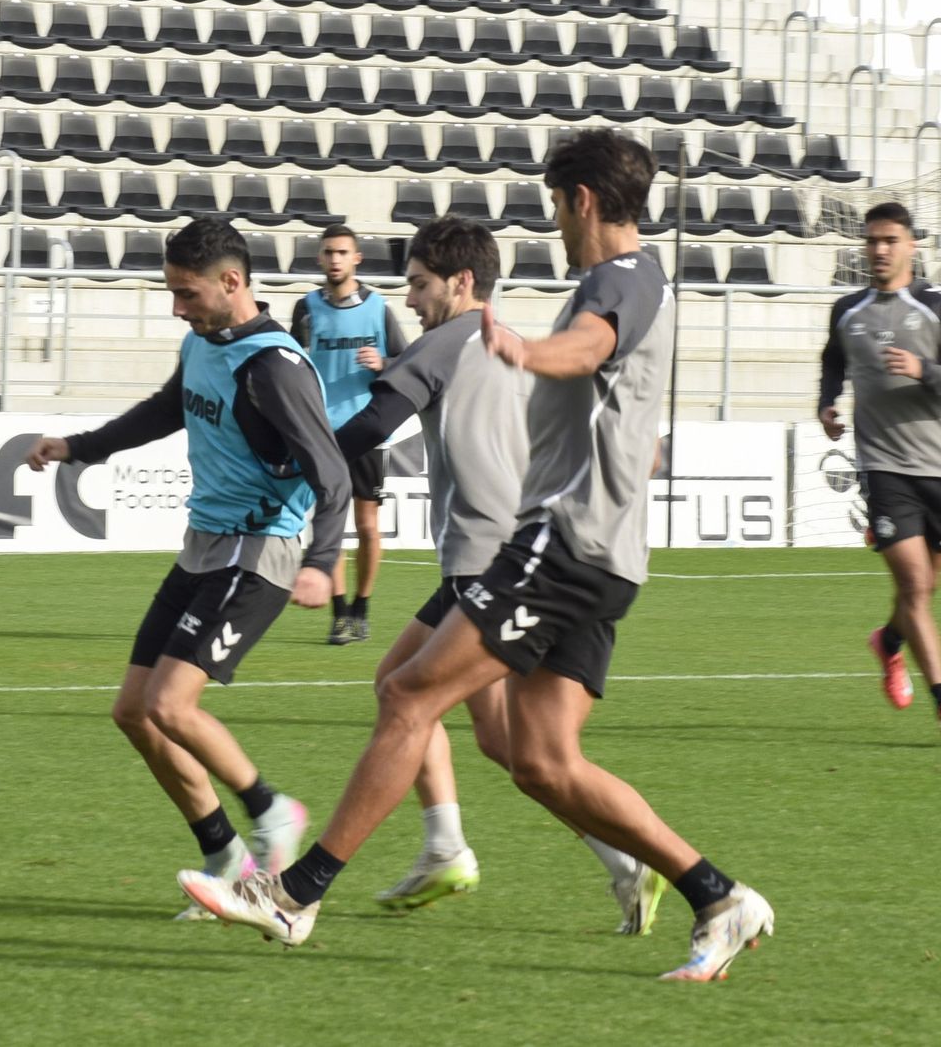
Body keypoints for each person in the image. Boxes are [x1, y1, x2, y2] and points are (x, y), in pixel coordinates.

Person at [179, 130, 774, 983]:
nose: (554, 223)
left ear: (582, 202)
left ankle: (297, 893)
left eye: (555, 204)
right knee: (541, 760)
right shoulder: (635, 283)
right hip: (598, 552)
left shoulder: (619, 279)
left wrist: (531, 351)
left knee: (409, 692)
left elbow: (592, 346)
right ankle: (717, 895)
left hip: (563, 543)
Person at [328, 216, 665, 933]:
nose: (410, 300)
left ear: (461, 282)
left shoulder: (452, 341)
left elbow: (369, 428)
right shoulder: (506, 341)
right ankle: (492, 849)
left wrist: (292, 453)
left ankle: (476, 850)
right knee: (485, 732)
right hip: (505, 546)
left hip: (489, 554)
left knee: (429, 707)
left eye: (418, 284)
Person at [24, 218, 349, 920]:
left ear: (232, 282)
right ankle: (224, 853)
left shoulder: (274, 367)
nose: (177, 307)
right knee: (134, 713)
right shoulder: (203, 343)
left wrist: (322, 562)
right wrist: (75, 446)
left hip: (259, 551)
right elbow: (164, 412)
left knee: (171, 705)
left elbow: (333, 474)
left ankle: (272, 813)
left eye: (186, 293)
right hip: (205, 545)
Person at [817, 201, 941, 743]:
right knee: (914, 584)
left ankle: (889, 642)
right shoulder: (848, 310)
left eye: (890, 240)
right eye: (871, 241)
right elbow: (832, 360)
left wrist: (925, 370)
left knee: (925, 590)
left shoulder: (940, 308)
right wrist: (827, 404)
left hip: (936, 467)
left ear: (913, 245)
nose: (879, 250)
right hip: (881, 465)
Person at [290, 225, 408, 646]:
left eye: (342, 252)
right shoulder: (305, 308)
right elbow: (292, 364)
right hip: (323, 431)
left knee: (369, 526)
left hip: (368, 429)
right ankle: (340, 614)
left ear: (357, 258)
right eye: (328, 252)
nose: (335, 259)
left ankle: (362, 608)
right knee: (331, 523)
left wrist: (384, 362)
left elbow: (407, 359)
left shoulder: (378, 308)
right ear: (320, 258)